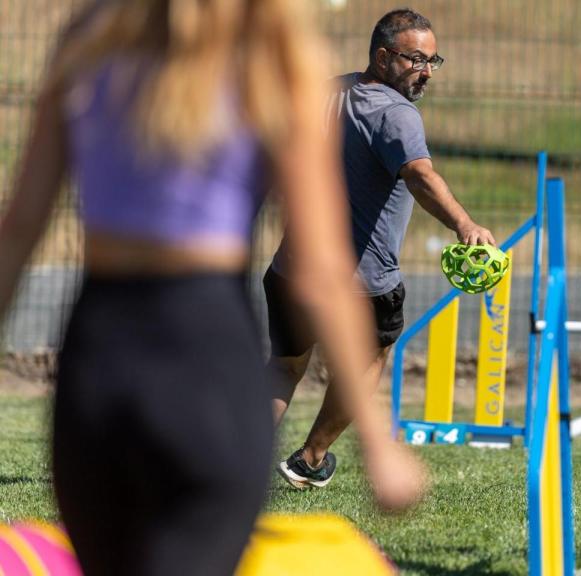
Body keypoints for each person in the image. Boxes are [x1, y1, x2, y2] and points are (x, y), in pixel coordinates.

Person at [0, 1, 425, 574]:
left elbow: (20, 231)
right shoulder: (276, 53)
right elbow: (325, 271)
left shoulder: (89, 36)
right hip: (207, 362)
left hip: (100, 359)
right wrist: (378, 442)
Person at [268, 8, 495, 489]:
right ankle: (310, 459)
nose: (427, 72)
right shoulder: (396, 114)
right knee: (369, 361)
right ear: (383, 56)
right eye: (416, 60)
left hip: (292, 270)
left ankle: (235, 459)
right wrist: (464, 222)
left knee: (286, 366)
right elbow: (420, 175)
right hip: (362, 283)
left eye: (434, 61)